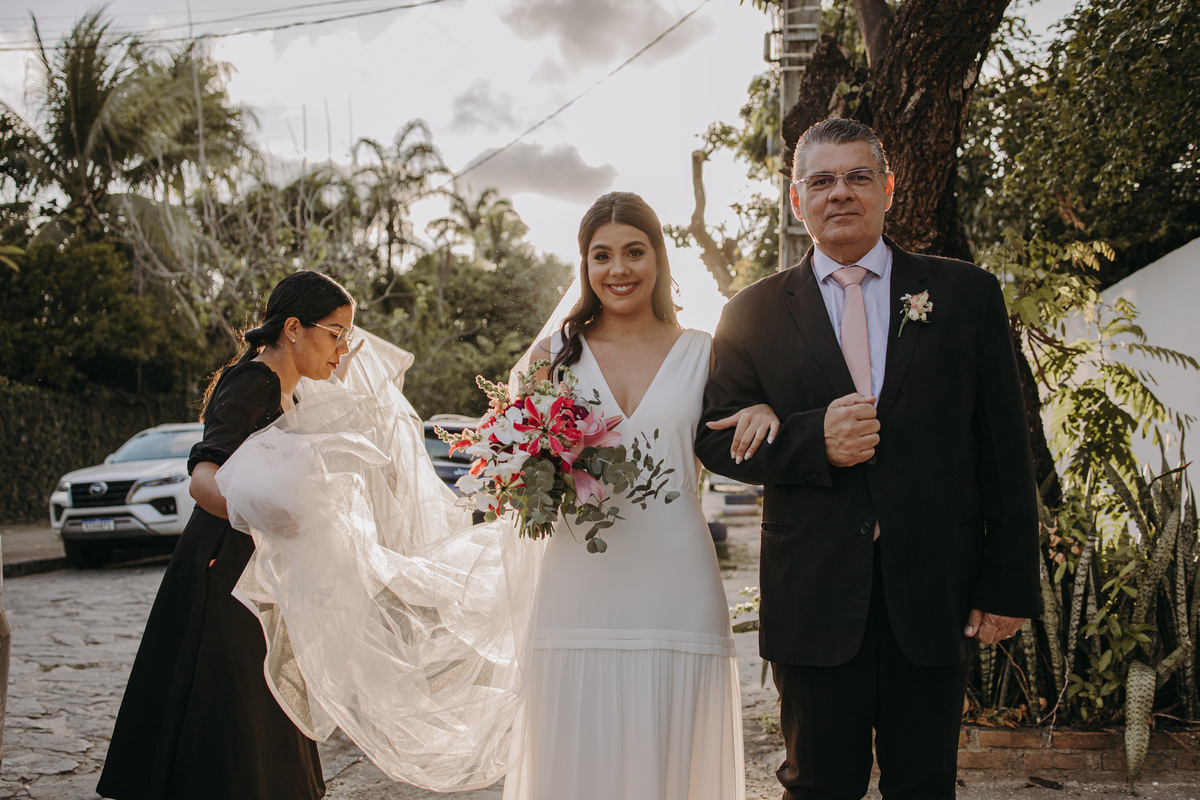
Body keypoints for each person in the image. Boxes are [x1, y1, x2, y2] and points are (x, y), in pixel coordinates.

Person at [695, 118, 1040, 799]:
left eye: (857, 177)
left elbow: (1005, 449)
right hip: (814, 597)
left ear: (887, 188)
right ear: (797, 201)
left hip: (934, 593)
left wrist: (1007, 586)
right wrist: (807, 439)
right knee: (818, 785)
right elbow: (712, 435)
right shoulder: (750, 312)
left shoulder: (966, 295)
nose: (840, 193)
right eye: (821, 181)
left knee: (924, 784)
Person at [504, 191, 771, 800]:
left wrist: (759, 407)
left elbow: (738, 422)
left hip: (678, 580)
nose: (618, 269)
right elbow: (517, 460)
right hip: (579, 583)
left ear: (657, 259)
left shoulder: (705, 352)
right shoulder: (552, 359)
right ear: (585, 265)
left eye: (633, 252)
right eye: (601, 256)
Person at [97, 270, 355, 800]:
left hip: (261, 570)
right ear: (293, 328)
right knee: (232, 700)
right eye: (335, 332)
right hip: (225, 568)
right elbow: (203, 479)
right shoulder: (253, 381)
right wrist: (270, 515)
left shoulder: (293, 395)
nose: (342, 348)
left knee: (261, 697)